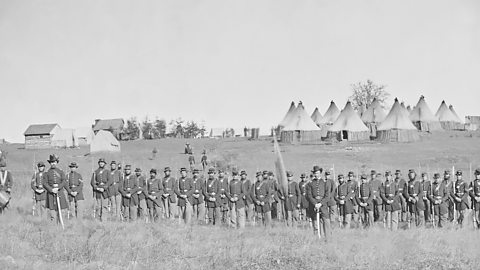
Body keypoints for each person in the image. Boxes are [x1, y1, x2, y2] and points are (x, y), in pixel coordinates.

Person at [306, 166, 332, 239]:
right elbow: (309, 195)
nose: (316, 174)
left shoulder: (325, 182)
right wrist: (315, 204)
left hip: (323, 205)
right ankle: (317, 238)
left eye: (317, 173)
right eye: (315, 173)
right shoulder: (310, 184)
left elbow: (327, 196)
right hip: (314, 205)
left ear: (320, 173)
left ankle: (328, 239)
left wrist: (320, 203)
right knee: (315, 223)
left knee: (326, 222)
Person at [43, 154, 68, 222]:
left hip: (60, 192)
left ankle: (61, 224)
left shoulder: (60, 171)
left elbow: (64, 181)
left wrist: (58, 188)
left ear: (56, 162)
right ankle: (53, 226)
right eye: (51, 162)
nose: (53, 163)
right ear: (50, 163)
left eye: (54, 162)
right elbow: (45, 183)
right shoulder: (47, 173)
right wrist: (51, 190)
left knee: (61, 211)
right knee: (52, 211)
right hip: (51, 194)